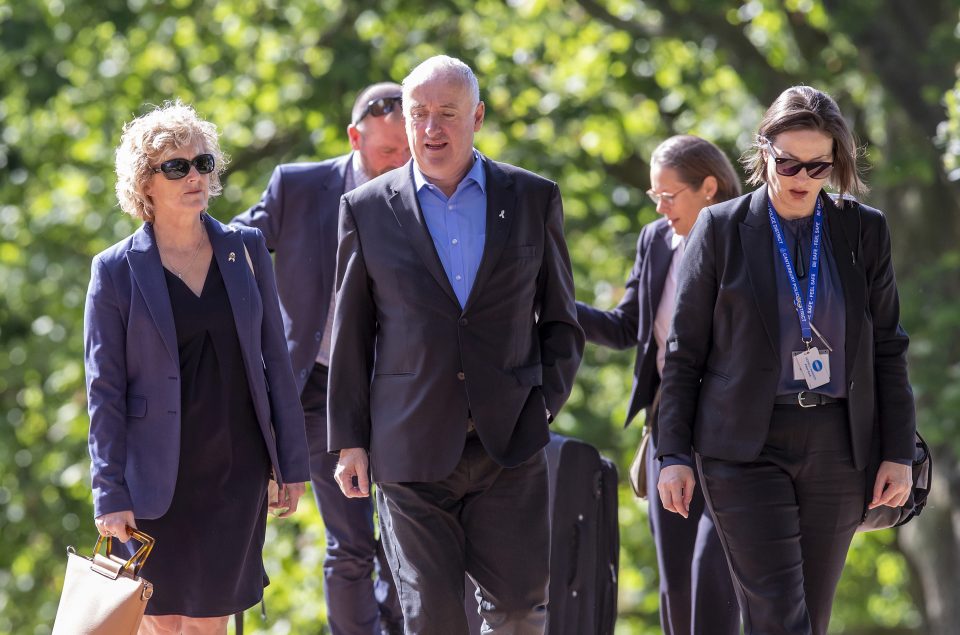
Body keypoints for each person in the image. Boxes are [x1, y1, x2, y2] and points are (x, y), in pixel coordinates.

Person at [327, 55, 584, 635]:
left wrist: (542, 403)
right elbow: (351, 336)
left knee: (520, 608)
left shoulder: (531, 198)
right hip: (408, 447)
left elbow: (562, 322)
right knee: (433, 618)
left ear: (479, 115)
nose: (432, 129)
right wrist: (349, 442)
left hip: (509, 443)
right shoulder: (366, 209)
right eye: (419, 115)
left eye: (447, 114)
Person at [656, 86, 916, 635]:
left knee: (809, 620)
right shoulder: (721, 229)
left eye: (818, 166)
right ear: (764, 152)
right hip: (743, 446)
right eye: (788, 162)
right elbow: (684, 354)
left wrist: (897, 451)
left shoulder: (863, 230)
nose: (802, 178)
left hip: (839, 446)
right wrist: (672, 453)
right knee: (777, 614)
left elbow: (889, 346)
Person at [84, 100, 310, 634]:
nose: (195, 177)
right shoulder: (115, 270)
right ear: (145, 183)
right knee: (161, 624)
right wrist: (109, 493)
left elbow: (276, 360)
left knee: (209, 623)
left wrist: (291, 463)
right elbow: (105, 390)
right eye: (176, 166)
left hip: (237, 469)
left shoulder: (247, 250)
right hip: (155, 478)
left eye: (203, 163)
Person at [231, 82, 409, 635]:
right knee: (352, 540)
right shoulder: (300, 186)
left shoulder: (427, 193)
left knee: (410, 539)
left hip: (399, 389)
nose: (399, 163)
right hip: (314, 390)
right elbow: (233, 244)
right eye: (387, 152)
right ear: (355, 136)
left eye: (407, 152)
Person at [576, 135, 741, 635]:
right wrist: (550, 304)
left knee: (717, 581)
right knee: (675, 584)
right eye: (654, 196)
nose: (661, 207)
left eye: (670, 196)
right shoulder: (655, 240)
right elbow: (628, 326)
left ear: (708, 187)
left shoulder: (746, 241)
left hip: (731, 430)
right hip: (667, 430)